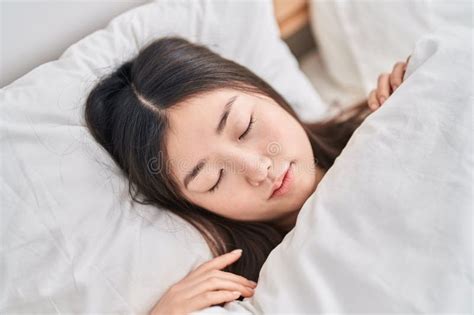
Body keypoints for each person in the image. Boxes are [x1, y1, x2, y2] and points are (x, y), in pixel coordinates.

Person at [84, 36, 408, 314]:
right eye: (213, 179)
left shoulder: (392, 116)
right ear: (194, 207)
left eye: (244, 127)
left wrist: (414, 106)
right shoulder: (262, 293)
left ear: (260, 90)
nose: (257, 170)